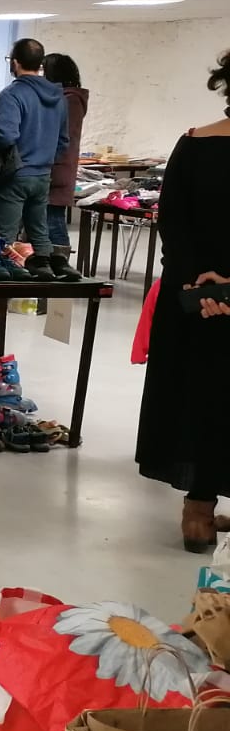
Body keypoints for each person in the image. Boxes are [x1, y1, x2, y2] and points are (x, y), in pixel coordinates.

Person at [137, 50, 230, 551]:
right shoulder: (194, 144)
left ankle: (205, 505)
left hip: (209, 293)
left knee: (212, 396)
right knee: (208, 396)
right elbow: (174, 222)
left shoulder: (195, 145)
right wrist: (208, 286)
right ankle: (199, 504)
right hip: (203, 296)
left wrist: (213, 285)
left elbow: (174, 222)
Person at [0, 37, 71, 279]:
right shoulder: (59, 97)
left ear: (15, 62)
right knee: (39, 228)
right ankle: (43, 266)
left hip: (15, 174)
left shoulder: (12, 94)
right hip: (42, 174)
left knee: (4, 237)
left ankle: (3, 281)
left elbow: (6, 135)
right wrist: (44, 160)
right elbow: (63, 141)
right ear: (40, 64)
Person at [44, 53, 88, 263]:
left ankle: (61, 264)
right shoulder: (64, 98)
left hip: (57, 169)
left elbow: (60, 137)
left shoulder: (70, 100)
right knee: (46, 219)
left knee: (54, 220)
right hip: (54, 166)